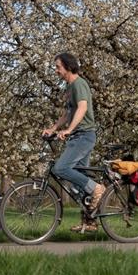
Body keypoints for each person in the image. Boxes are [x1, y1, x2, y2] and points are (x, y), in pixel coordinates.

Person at [41, 52, 105, 233]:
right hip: (78, 136)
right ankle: (90, 222)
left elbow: (83, 107)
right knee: (78, 184)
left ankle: (97, 188)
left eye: (58, 67)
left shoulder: (79, 84)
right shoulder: (69, 88)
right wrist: (53, 129)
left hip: (84, 135)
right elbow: (68, 113)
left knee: (60, 169)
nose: (56, 71)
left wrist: (69, 130)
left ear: (68, 67)